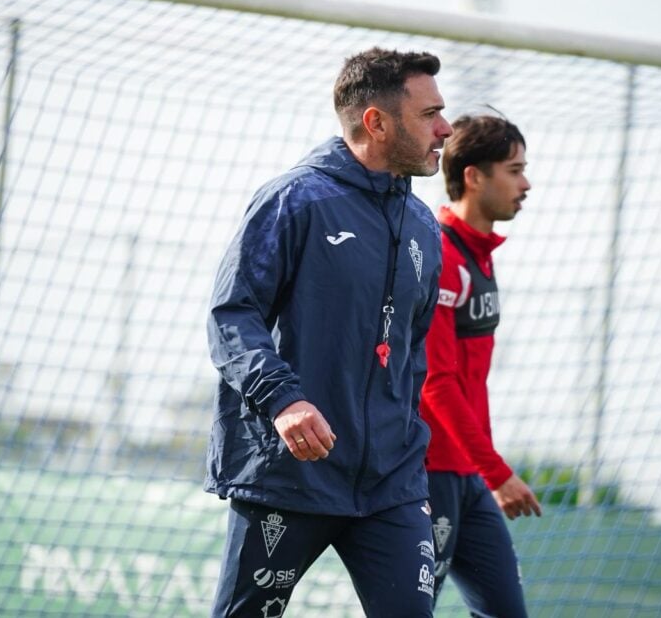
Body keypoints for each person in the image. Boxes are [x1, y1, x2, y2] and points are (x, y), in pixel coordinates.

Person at [205, 47, 454, 617]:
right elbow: (232, 315)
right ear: (376, 122)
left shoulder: (423, 225)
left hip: (391, 483)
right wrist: (283, 401)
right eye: (429, 114)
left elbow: (410, 353)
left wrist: (406, 438)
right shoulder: (295, 200)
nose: (444, 128)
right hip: (291, 473)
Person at [420, 113, 542, 617]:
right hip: (428, 473)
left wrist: (484, 467)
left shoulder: (479, 254)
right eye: (514, 171)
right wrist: (497, 472)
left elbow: (472, 381)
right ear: (473, 176)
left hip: (467, 472)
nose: (526, 184)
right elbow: (436, 383)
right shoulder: (442, 255)